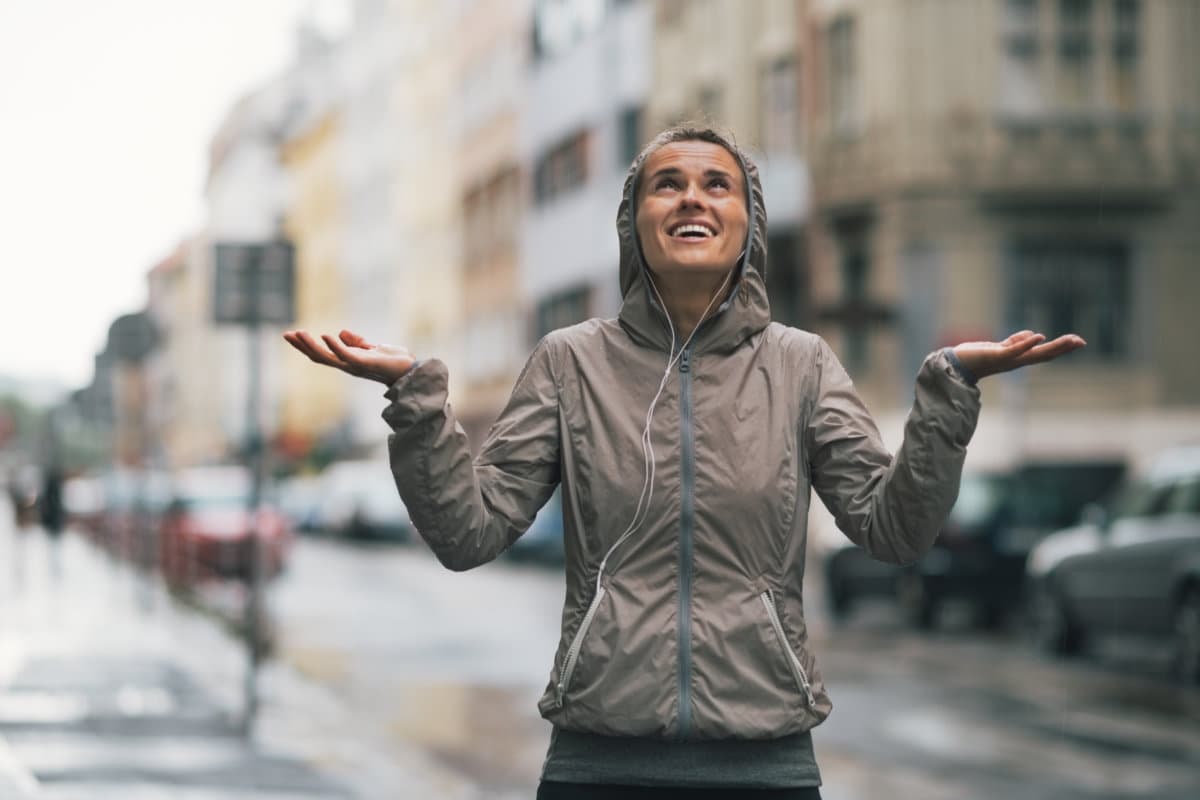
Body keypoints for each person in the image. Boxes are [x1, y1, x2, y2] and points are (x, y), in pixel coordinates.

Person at [284, 125, 1085, 798]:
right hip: (598, 762)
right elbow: (470, 535)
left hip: (764, 764)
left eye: (716, 185)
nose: (693, 197)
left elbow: (893, 532)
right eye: (667, 185)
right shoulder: (570, 362)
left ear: (748, 223)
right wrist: (415, 402)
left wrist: (949, 393)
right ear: (635, 222)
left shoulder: (802, 365)